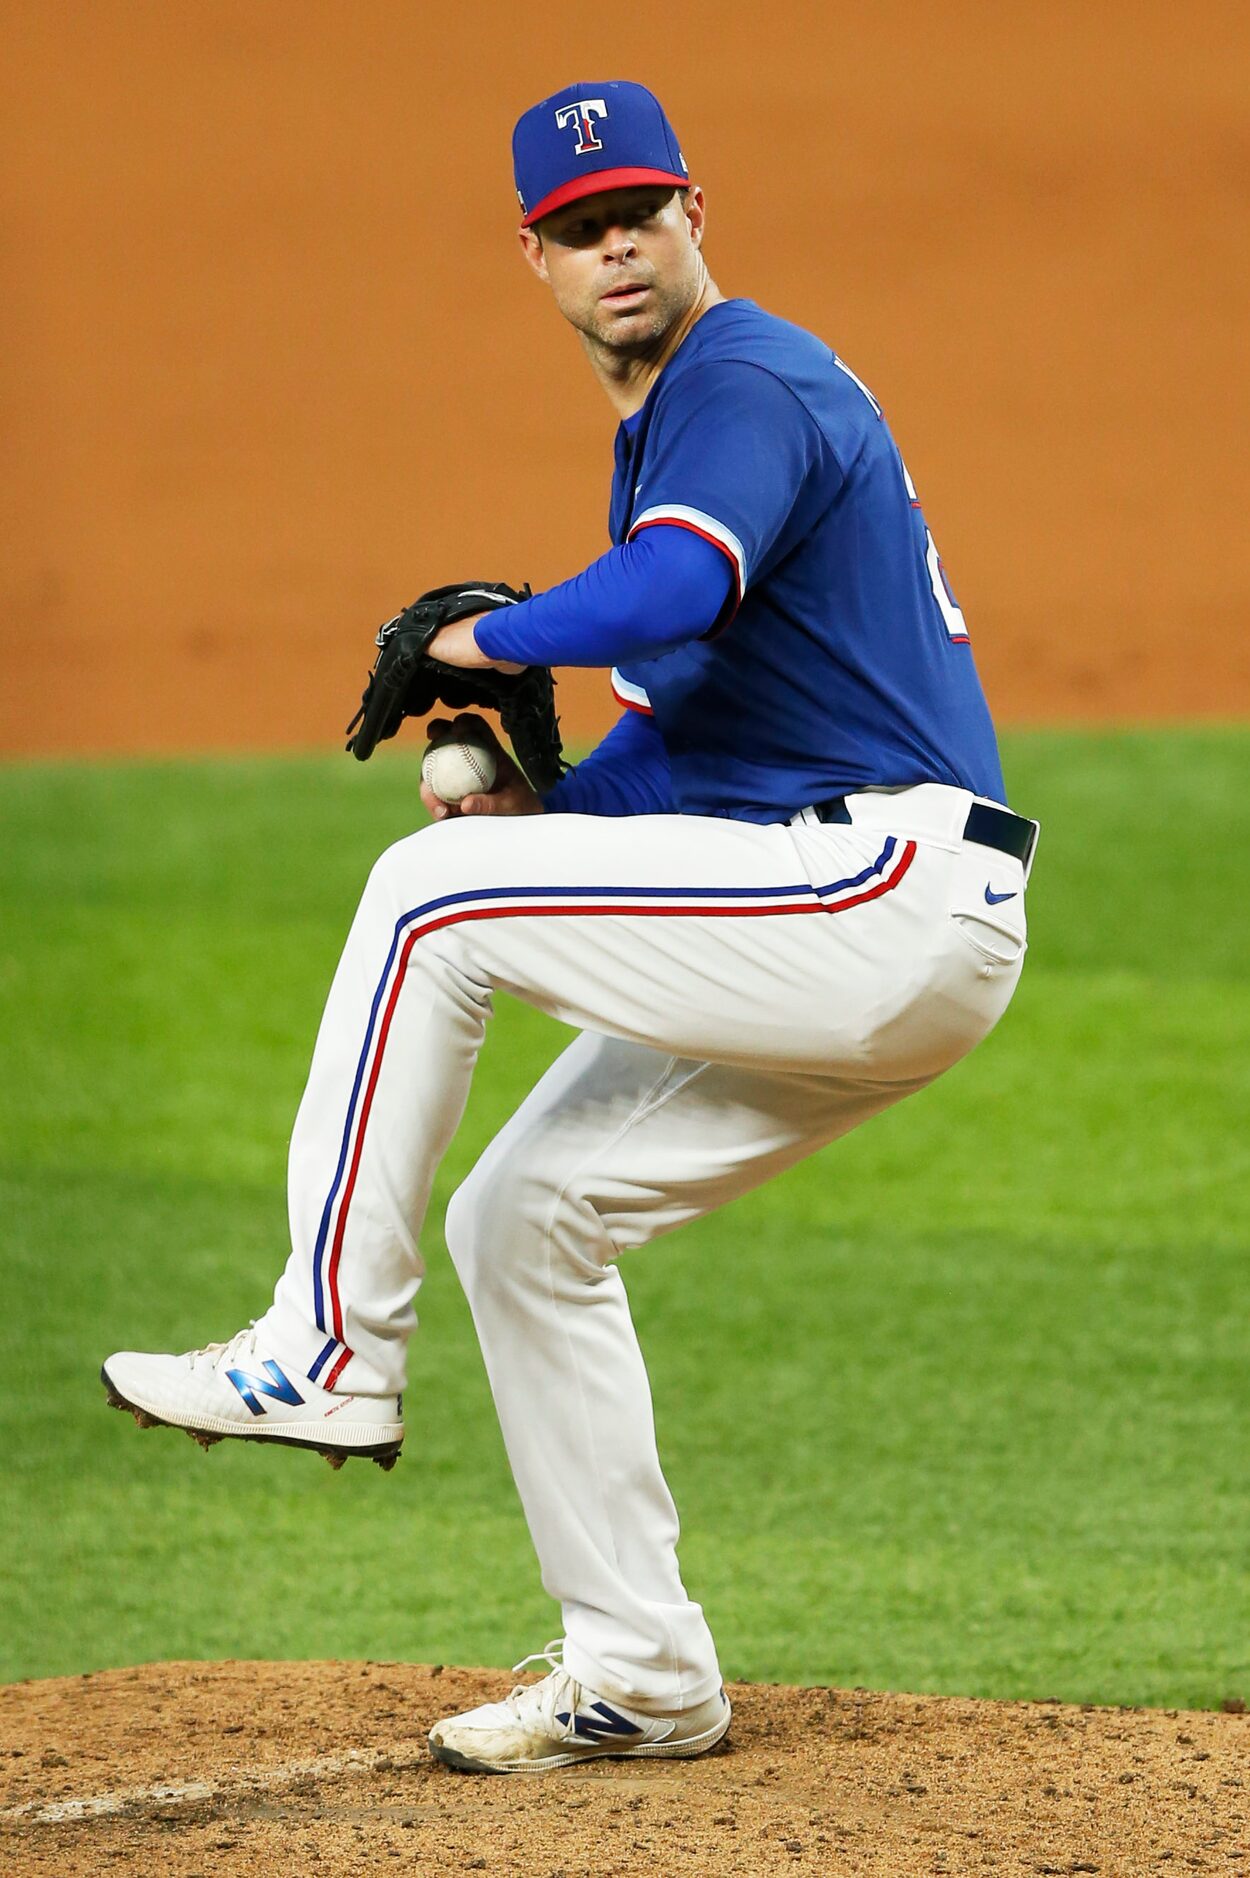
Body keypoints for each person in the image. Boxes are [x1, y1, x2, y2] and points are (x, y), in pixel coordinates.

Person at [102, 79, 1037, 1776]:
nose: (617, 247)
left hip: (884, 892)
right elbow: (668, 771)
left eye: (642, 215)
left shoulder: (741, 378)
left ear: (698, 221)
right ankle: (641, 1668)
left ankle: (321, 1340)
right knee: (521, 1214)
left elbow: (669, 589)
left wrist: (489, 648)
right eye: (579, 228)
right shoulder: (666, 439)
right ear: (532, 259)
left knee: (415, 906)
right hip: (852, 920)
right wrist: (528, 817)